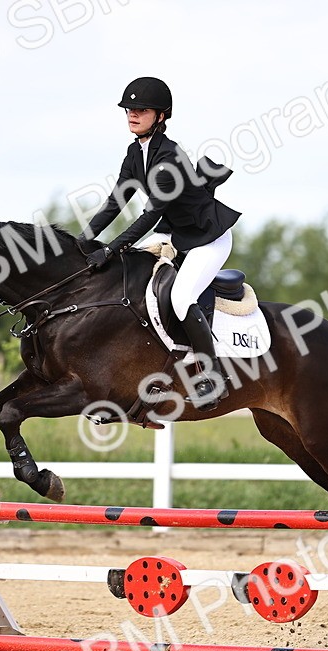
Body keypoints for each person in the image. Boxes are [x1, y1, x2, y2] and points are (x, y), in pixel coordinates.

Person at [79, 76, 240, 409]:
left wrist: (109, 249)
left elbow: (149, 217)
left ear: (161, 115)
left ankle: (212, 378)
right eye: (129, 109)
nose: (132, 114)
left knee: (181, 297)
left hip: (206, 238)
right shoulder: (135, 153)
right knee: (129, 276)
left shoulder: (169, 158)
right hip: (175, 233)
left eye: (141, 110)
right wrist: (81, 242)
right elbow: (115, 203)